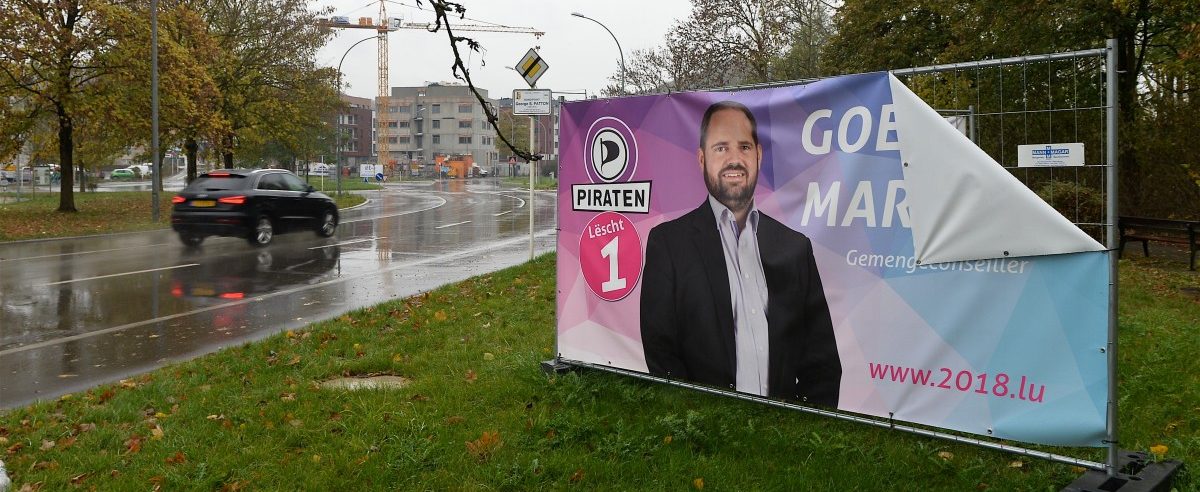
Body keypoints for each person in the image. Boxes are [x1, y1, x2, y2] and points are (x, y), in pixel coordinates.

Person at [640, 101, 842, 406]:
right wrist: (698, 422)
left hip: (782, 434)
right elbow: (660, 349)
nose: (734, 159)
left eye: (744, 147)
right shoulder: (668, 244)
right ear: (701, 158)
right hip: (707, 435)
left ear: (758, 155)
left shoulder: (795, 247)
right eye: (721, 148)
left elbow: (823, 361)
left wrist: (801, 428)